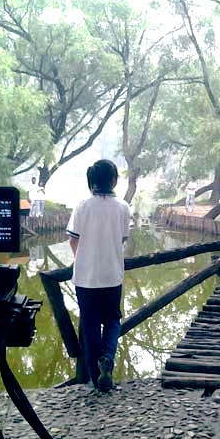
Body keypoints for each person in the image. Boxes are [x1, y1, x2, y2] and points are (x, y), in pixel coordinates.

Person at [66, 159, 131, 392]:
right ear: (113, 180)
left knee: (90, 324)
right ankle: (107, 357)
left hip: (86, 277)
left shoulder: (82, 205)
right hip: (112, 275)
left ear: (92, 180)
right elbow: (122, 239)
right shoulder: (123, 207)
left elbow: (73, 239)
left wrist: (81, 258)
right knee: (113, 320)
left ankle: (96, 379)